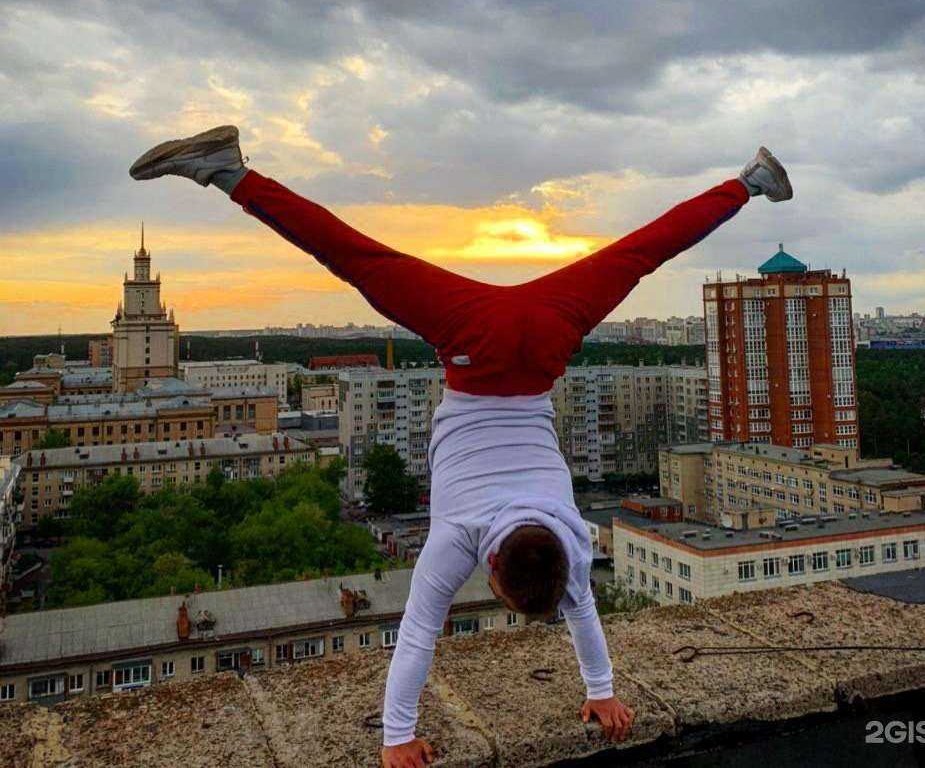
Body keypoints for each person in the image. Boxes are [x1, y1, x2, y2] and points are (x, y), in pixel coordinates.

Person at [130, 127, 792, 767]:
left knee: (641, 250)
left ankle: (750, 181)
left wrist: (602, 691)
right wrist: (396, 737)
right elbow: (418, 635)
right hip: (474, 345)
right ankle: (225, 170)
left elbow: (582, 617)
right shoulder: (462, 540)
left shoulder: (573, 547)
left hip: (542, 338)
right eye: (501, 595)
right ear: (496, 568)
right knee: (356, 257)